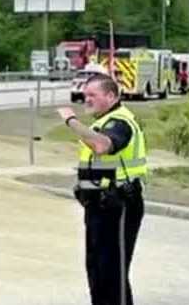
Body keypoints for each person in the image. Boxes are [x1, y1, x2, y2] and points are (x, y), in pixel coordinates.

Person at [58, 73, 147, 305]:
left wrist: (71, 121)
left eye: (92, 95)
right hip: (99, 205)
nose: (86, 99)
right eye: (84, 94)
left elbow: (101, 145)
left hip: (119, 205)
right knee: (97, 270)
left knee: (112, 273)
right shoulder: (102, 122)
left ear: (110, 95)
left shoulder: (121, 122)